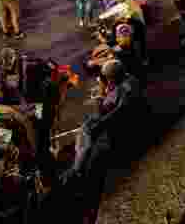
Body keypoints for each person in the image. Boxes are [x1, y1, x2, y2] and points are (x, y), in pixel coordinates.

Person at [60, 59, 140, 187]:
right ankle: (78, 159)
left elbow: (108, 112)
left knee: (86, 132)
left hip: (114, 123)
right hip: (121, 118)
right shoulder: (129, 80)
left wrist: (100, 97)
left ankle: (76, 169)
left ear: (112, 78)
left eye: (107, 78)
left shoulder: (121, 91)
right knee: (85, 130)